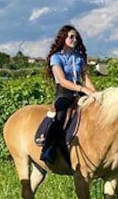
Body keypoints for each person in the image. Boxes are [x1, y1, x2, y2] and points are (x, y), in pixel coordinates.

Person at [40, 24, 96, 163]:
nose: (74, 40)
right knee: (60, 115)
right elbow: (63, 81)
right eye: (71, 37)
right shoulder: (56, 57)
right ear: (63, 38)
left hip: (79, 91)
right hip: (64, 91)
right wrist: (83, 89)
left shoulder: (79, 58)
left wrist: (97, 94)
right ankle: (48, 149)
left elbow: (86, 80)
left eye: (76, 37)